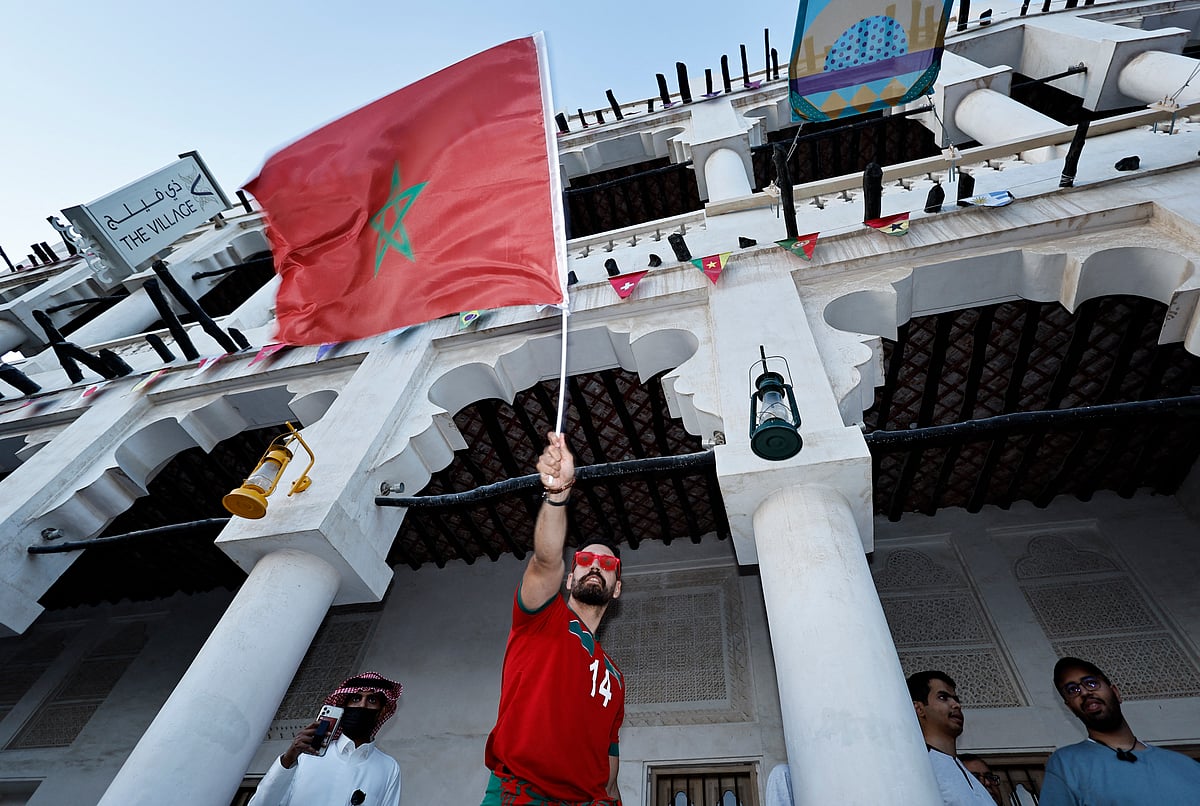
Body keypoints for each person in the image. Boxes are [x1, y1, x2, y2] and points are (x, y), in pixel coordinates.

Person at [481, 432, 625, 805]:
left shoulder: (616, 678)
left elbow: (609, 773)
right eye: (584, 561)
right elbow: (544, 560)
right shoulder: (543, 617)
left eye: (607, 564)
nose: (595, 566)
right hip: (523, 794)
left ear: (617, 587)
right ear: (569, 578)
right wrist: (558, 495)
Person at [1039, 656, 1200, 805]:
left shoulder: (1187, 765)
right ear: (1071, 708)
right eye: (1073, 690)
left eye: (1091, 683)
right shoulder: (1067, 763)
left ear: (1116, 693)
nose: (1085, 692)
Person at [249, 671, 403, 806]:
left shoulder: (388, 767)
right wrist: (289, 758)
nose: (362, 705)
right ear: (343, 707)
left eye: (372, 700)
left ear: (382, 712)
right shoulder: (307, 755)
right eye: (356, 699)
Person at [907, 670, 995, 805]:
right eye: (943, 697)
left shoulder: (967, 774)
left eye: (956, 699)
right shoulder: (916, 767)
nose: (956, 705)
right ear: (918, 708)